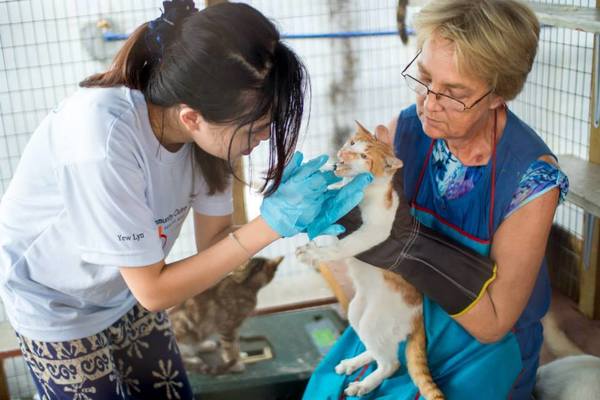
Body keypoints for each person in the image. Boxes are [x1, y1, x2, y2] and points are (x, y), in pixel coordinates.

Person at [0, 2, 372, 399]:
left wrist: (291, 223)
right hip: (56, 298)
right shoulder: (103, 141)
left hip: (124, 288)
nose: (263, 139)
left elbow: (216, 243)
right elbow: (155, 292)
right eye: (257, 128)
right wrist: (269, 226)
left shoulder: (205, 134)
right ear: (192, 117)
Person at [303, 1, 569, 399]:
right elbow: (370, 224)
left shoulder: (530, 181)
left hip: (483, 354)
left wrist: (412, 248)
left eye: (454, 93)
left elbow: (495, 322)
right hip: (407, 319)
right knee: (327, 391)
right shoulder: (407, 129)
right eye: (424, 78)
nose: (429, 102)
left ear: (499, 95)